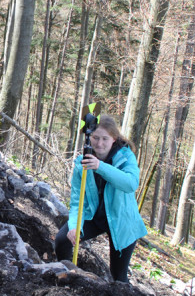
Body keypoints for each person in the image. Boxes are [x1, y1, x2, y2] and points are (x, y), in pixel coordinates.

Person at [54, 115, 147, 283]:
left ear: (114, 139)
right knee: (63, 240)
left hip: (122, 220)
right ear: (89, 137)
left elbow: (131, 183)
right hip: (94, 217)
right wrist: (75, 226)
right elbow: (77, 201)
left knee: (118, 276)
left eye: (105, 138)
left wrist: (99, 166)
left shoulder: (126, 157)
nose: (99, 143)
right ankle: (65, 279)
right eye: (95, 138)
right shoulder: (81, 163)